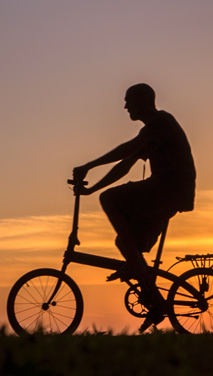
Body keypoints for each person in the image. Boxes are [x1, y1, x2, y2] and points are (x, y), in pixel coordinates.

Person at [72, 83, 196, 328]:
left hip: (169, 189)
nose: (125, 106)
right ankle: (156, 303)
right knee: (125, 243)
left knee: (110, 200)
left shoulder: (160, 122)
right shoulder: (150, 134)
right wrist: (91, 189)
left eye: (129, 100)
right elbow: (124, 166)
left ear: (143, 101)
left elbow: (126, 149)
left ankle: (136, 267)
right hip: (168, 192)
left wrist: (88, 166)